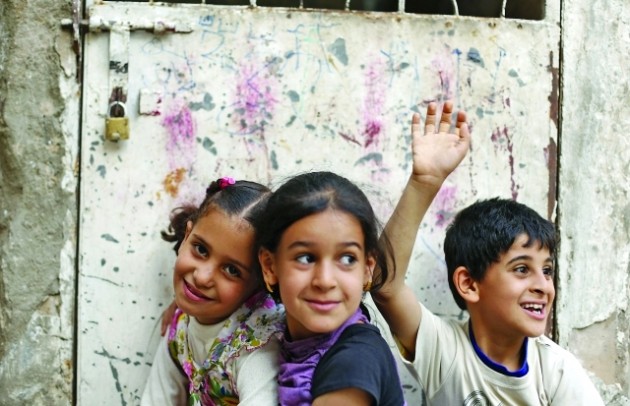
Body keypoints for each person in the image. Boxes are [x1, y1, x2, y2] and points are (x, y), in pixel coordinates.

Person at [375, 197, 606, 402]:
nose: (543, 286)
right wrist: (423, 183)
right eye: (522, 269)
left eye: (546, 270)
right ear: (469, 284)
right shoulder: (445, 351)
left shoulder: (557, 369)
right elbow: (385, 285)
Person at [255, 171, 406, 406]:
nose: (325, 281)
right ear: (270, 266)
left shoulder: (354, 362)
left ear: (367, 268)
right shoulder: (277, 337)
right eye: (305, 258)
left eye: (347, 259)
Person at [141, 178, 285, 406]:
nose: (202, 277)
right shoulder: (181, 325)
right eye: (200, 249)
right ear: (187, 236)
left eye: (231, 270)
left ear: (262, 280)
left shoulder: (257, 346)